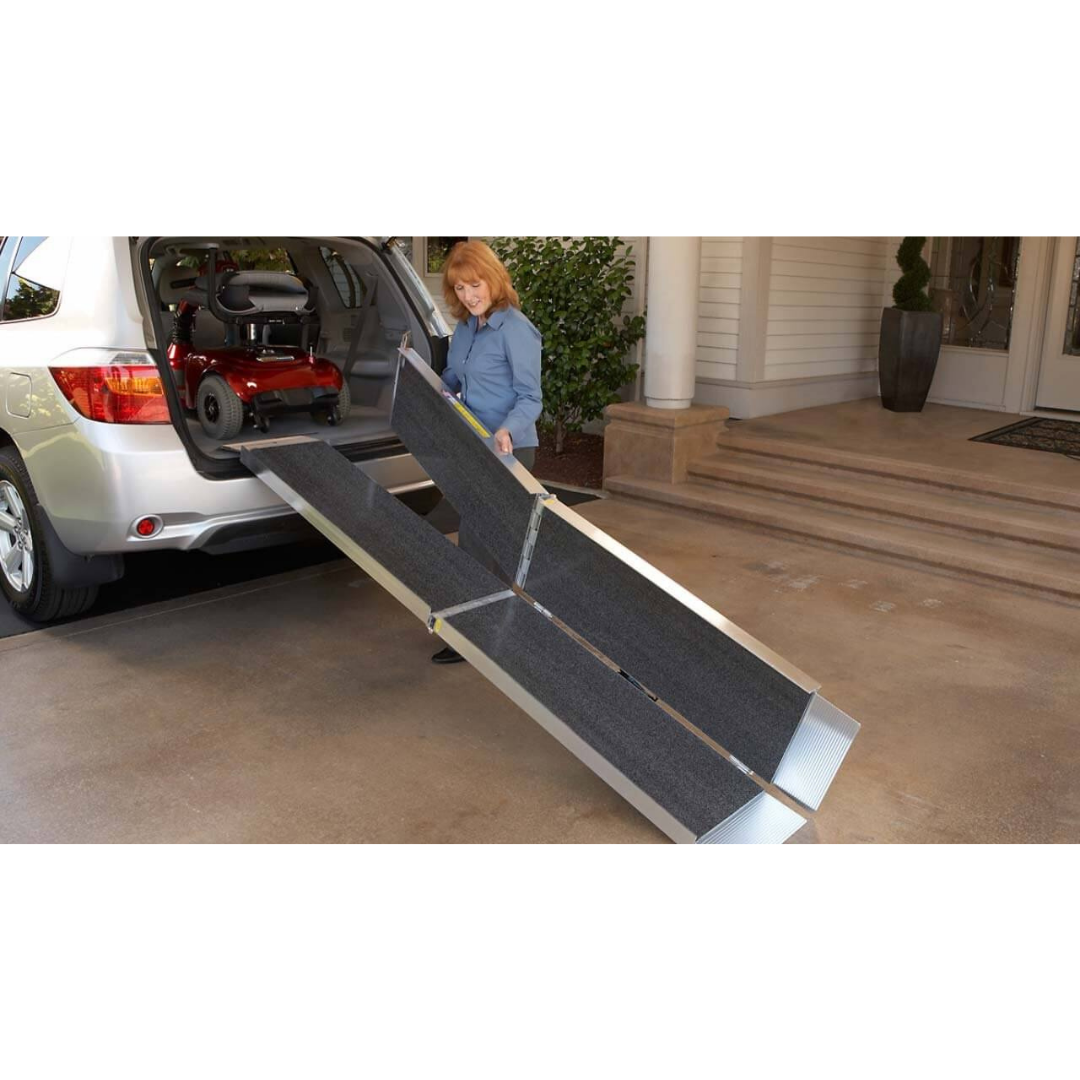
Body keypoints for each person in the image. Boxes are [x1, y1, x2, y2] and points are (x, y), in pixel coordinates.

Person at [432, 240, 543, 664]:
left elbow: (531, 398)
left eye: (474, 285)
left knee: (483, 543)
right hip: (472, 445)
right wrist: (441, 388)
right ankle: (483, 629)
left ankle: (475, 636)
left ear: (493, 280)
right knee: (477, 539)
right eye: (459, 289)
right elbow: (454, 376)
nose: (468, 296)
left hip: (509, 449)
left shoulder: (517, 329)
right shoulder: (465, 329)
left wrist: (506, 430)